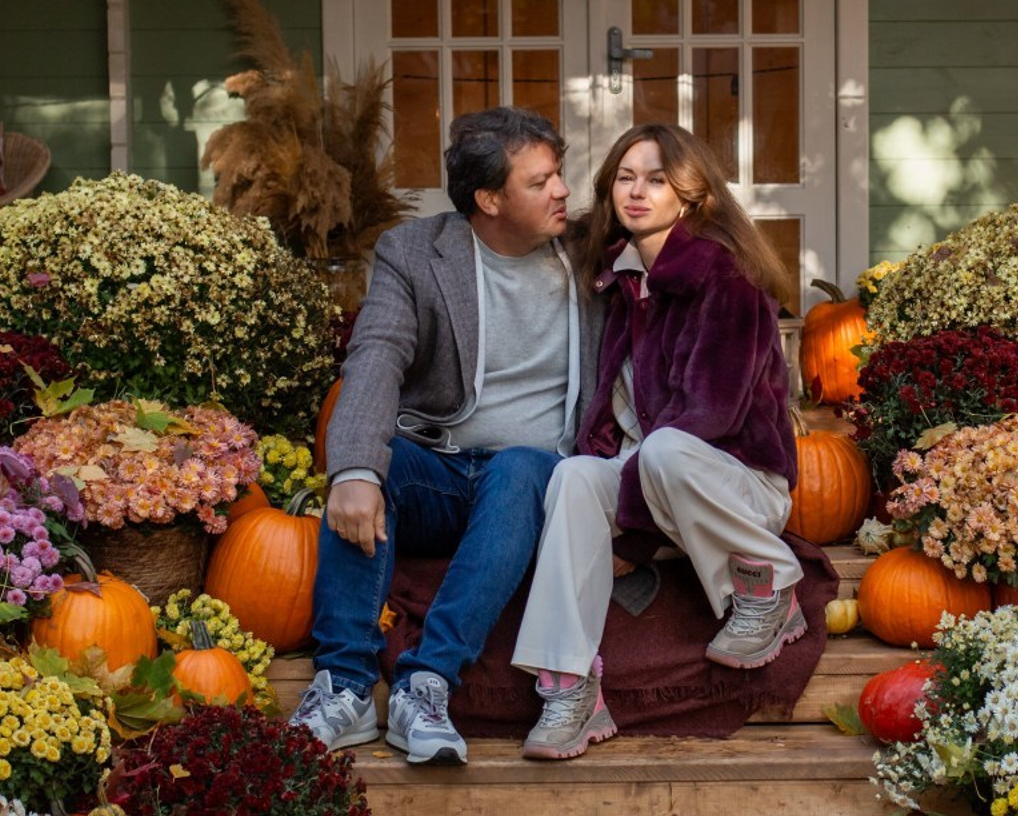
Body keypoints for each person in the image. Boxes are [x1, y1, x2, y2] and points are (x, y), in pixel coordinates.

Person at [289, 107, 599, 766]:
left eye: (559, 175)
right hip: (439, 469)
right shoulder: (416, 253)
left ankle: (425, 685)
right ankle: (343, 688)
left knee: (521, 466)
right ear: (489, 199)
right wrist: (353, 472)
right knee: (378, 467)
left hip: (531, 485)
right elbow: (375, 356)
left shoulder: (592, 251)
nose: (563, 191)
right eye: (540, 181)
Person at [510, 122, 804, 761]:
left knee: (668, 447)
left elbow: (711, 416)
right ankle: (569, 686)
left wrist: (632, 537)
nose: (636, 192)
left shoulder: (727, 278)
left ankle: (768, 588)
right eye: (624, 177)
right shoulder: (627, 279)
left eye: (657, 179)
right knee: (574, 477)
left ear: (692, 195)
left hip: (737, 487)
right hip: (660, 488)